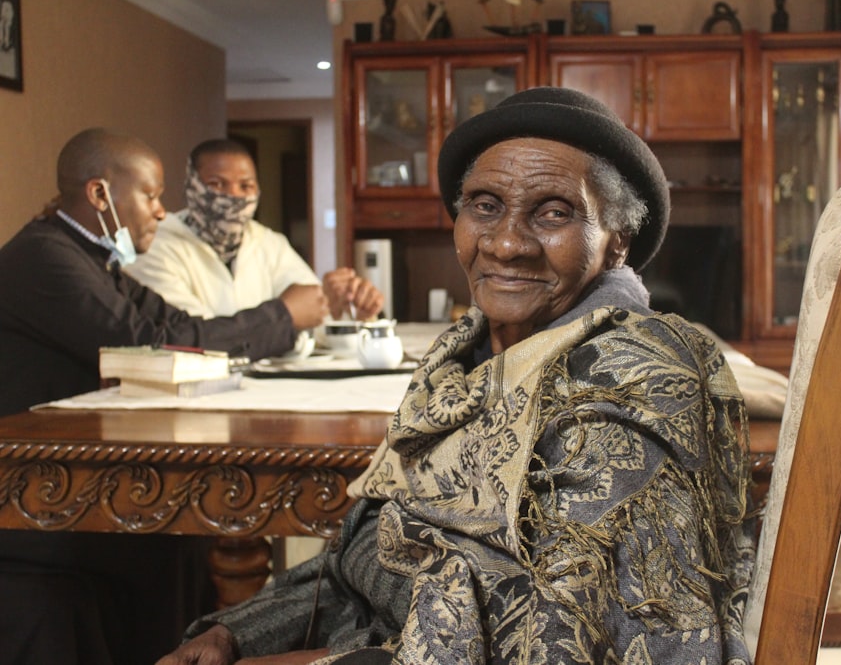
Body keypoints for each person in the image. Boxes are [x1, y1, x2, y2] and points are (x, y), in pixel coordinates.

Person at [157, 87, 755, 665]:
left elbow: (564, 637)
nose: (506, 242)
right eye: (484, 206)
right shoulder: (465, 362)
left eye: (554, 212)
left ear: (616, 244)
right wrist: (235, 632)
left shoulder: (632, 377)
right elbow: (362, 551)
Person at [0, 127, 330, 665]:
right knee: (180, 536)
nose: (160, 211)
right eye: (150, 195)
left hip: (63, 468)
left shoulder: (93, 260)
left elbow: (174, 326)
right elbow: (150, 345)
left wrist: (280, 319)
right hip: (28, 492)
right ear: (101, 195)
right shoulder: (45, 259)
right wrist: (283, 316)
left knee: (185, 538)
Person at [125, 138, 383, 326]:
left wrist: (340, 305)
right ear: (191, 185)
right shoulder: (154, 245)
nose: (233, 196)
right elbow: (193, 335)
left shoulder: (269, 243)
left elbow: (313, 313)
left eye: (245, 185)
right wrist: (286, 316)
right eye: (217, 184)